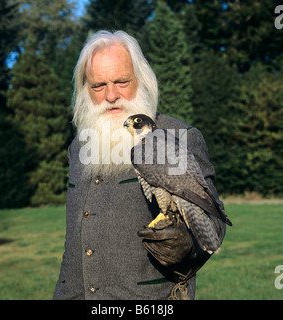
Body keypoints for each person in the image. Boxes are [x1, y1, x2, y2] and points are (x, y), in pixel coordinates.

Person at [53, 30, 226, 300]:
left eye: (121, 81)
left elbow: (213, 221)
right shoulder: (79, 146)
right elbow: (74, 241)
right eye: (98, 86)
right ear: (85, 90)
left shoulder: (179, 135)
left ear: (141, 81)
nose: (111, 95)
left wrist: (186, 244)